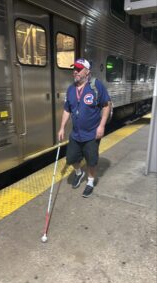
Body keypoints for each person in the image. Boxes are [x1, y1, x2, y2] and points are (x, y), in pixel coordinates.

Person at [58, 58, 111, 198]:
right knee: (71, 158)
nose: (75, 71)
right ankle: (78, 173)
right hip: (76, 134)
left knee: (91, 161)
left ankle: (90, 182)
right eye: (74, 68)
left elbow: (106, 106)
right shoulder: (70, 89)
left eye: (79, 69)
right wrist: (62, 127)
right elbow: (66, 110)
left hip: (92, 134)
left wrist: (101, 126)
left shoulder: (96, 86)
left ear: (87, 72)